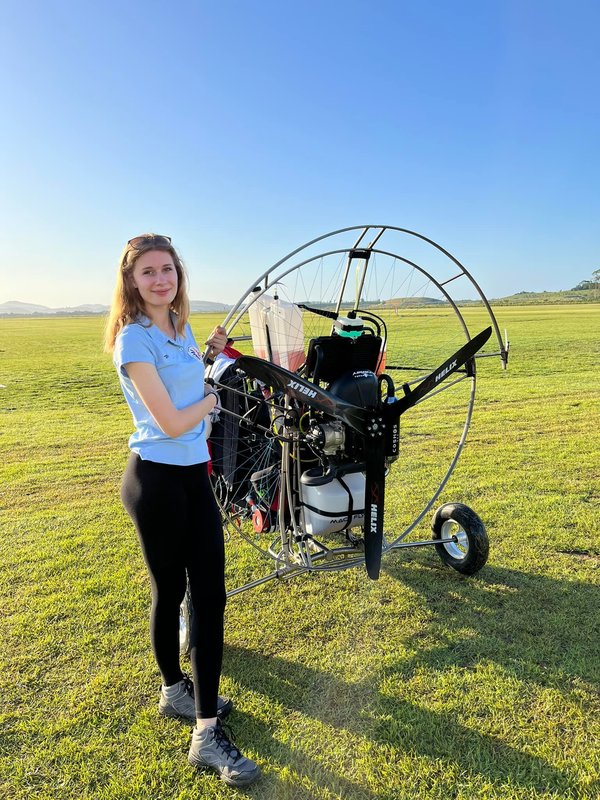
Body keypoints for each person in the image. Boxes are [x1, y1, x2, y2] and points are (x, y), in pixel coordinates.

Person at [104, 233, 261, 788]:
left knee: (209, 594)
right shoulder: (133, 340)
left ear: (178, 275)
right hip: (156, 482)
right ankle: (188, 709)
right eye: (147, 272)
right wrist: (215, 400)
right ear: (131, 280)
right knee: (171, 592)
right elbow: (172, 421)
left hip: (194, 478)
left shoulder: (178, 327)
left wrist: (208, 355)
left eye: (166, 269)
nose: (159, 279)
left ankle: (193, 713)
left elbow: (185, 375)